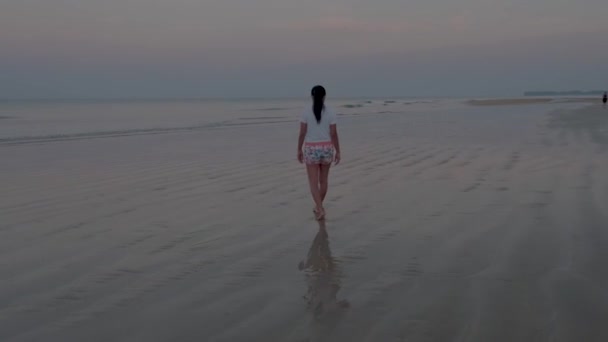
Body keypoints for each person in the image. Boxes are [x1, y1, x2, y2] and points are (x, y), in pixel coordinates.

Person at [297, 85, 341, 220]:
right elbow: (333, 133)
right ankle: (319, 207)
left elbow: (303, 132)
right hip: (327, 148)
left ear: (312, 96)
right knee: (324, 181)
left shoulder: (305, 111)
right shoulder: (331, 112)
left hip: (311, 149)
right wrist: (338, 151)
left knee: (313, 182)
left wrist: (299, 149)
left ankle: (320, 208)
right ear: (324, 96)